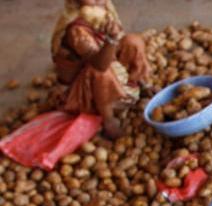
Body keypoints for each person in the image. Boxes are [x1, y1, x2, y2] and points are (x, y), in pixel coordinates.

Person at [51, 0, 150, 138]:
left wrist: (116, 38)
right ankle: (108, 119)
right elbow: (99, 64)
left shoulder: (104, 11)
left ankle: (139, 83)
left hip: (106, 68)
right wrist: (112, 39)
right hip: (79, 93)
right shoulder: (76, 29)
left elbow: (117, 45)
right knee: (100, 71)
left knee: (133, 41)